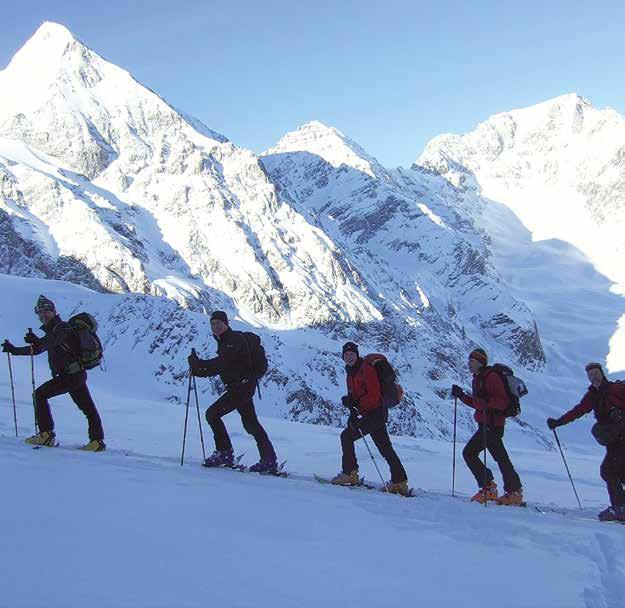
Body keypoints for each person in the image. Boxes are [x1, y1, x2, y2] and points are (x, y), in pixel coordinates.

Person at [1, 295, 105, 451]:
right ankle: (97, 442)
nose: (43, 315)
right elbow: (43, 345)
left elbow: (44, 345)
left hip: (70, 376)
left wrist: (21, 348)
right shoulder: (57, 330)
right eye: (40, 313)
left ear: (53, 312)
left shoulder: (61, 328)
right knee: (88, 409)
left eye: (46, 311)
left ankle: (46, 434)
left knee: (40, 395)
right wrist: (23, 347)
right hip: (76, 375)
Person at [189, 311, 278, 473]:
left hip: (240, 388)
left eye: (219, 323)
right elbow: (223, 366)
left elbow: (221, 364)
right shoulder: (225, 341)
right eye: (213, 323)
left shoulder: (232, 340)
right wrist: (197, 369)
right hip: (242, 386)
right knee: (251, 424)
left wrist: (198, 365)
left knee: (212, 414)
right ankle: (269, 460)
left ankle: (225, 453)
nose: (215, 327)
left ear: (226, 324)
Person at [547, 362, 625, 522]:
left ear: (602, 374)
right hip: (613, 440)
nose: (594, 377)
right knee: (614, 470)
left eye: (596, 373)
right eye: (591, 375)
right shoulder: (592, 395)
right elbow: (579, 410)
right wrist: (558, 422)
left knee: (610, 470)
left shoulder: (616, 389)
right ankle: (619, 507)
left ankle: (620, 508)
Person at [331, 342, 409, 495]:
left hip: (374, 413)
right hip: (375, 414)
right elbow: (358, 395)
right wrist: (352, 406)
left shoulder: (365, 369)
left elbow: (374, 395)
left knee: (346, 437)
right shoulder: (351, 372)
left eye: (351, 354)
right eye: (346, 355)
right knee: (385, 448)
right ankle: (400, 481)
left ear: (357, 354)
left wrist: (356, 405)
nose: (349, 357)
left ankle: (350, 473)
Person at [451, 348, 523, 505]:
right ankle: (511, 491)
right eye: (469, 361)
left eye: (472, 361)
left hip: (492, 424)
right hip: (486, 423)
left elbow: (502, 402)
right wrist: (462, 396)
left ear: (480, 362)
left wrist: (485, 402)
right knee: (500, 458)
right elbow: (478, 403)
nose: (469, 364)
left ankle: (492, 488)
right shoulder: (478, 378)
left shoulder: (491, 377)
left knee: (470, 453)